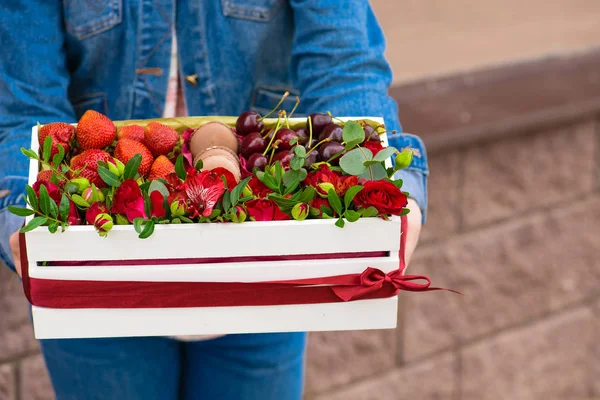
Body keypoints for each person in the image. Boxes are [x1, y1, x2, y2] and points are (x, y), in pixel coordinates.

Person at [0, 1, 429, 399]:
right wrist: (25, 211)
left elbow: (343, 60)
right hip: (94, 259)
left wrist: (387, 180)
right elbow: (25, 99)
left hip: (268, 262)